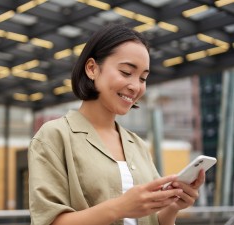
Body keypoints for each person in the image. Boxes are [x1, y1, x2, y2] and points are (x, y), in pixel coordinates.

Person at [28, 23, 205, 225]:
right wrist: (120, 207)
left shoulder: (137, 145)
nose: (136, 86)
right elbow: (48, 221)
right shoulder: (54, 135)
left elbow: (152, 220)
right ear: (92, 68)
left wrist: (173, 207)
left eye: (143, 78)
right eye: (126, 72)